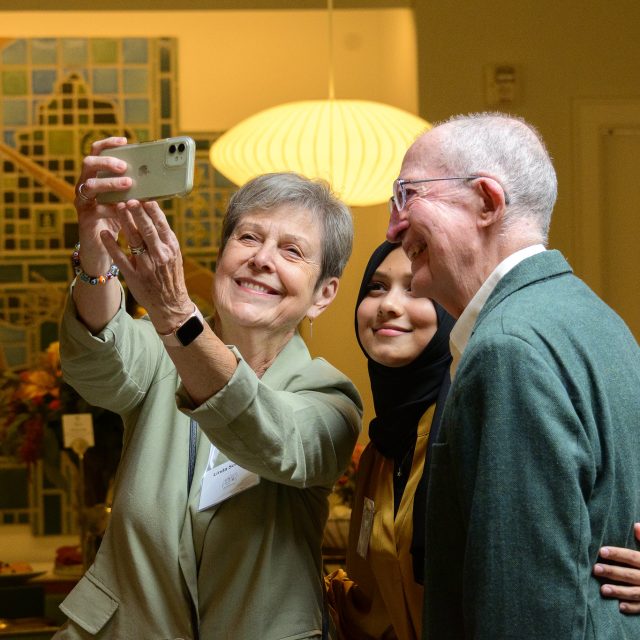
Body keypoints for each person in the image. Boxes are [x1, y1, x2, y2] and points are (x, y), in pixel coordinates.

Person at [54, 137, 362, 639]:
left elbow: (277, 440)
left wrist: (176, 313)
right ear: (220, 256)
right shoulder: (160, 354)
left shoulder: (330, 397)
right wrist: (97, 252)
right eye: (247, 238)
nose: (262, 259)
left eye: (292, 251)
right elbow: (95, 360)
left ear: (322, 294)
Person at [385, 112, 640, 639]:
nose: (394, 227)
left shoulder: (507, 349)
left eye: (408, 195)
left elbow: (523, 610)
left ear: (486, 201)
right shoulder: (596, 317)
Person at [326, 241, 455, 640]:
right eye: (376, 288)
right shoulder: (380, 454)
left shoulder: (466, 426)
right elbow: (370, 604)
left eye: (414, 289)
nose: (388, 305)